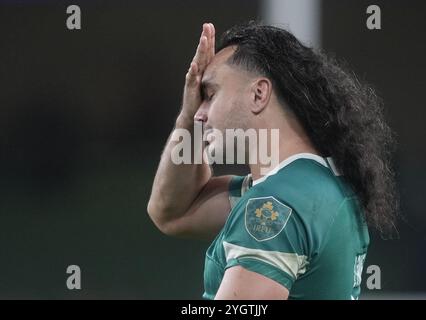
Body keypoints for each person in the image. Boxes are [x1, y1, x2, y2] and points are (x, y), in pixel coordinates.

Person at [147, 21, 397, 300]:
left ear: (258, 94)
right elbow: (172, 212)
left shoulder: (273, 206)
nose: (198, 112)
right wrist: (187, 116)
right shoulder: (319, 183)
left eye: (209, 94)